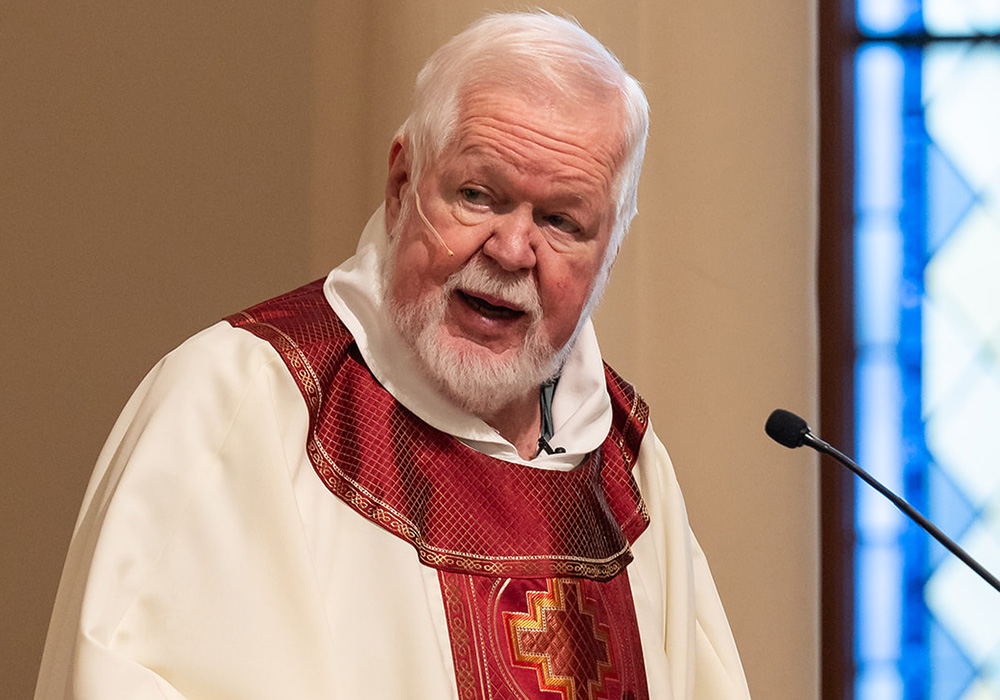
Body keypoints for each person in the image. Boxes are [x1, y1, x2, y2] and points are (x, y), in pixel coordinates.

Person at [35, 12, 751, 700]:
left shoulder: (629, 471)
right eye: (478, 195)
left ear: (610, 250)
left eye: (561, 222)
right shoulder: (244, 402)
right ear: (403, 183)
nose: (509, 250)